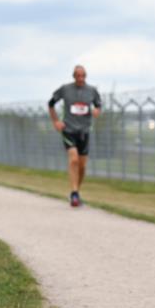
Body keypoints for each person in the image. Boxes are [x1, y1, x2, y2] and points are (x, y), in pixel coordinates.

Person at [48, 65, 103, 207]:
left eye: (83, 76)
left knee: (82, 165)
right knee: (74, 159)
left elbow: (98, 105)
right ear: (74, 76)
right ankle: (74, 193)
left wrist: (97, 110)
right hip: (68, 130)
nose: (81, 78)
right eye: (78, 76)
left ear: (86, 76)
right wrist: (56, 121)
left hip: (84, 131)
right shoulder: (65, 89)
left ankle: (76, 192)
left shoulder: (92, 91)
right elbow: (51, 103)